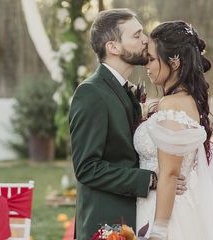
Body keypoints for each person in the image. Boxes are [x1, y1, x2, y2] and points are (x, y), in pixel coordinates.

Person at [69, 10, 186, 240]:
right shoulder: (91, 92)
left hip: (135, 217)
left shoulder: (126, 90)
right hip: (106, 224)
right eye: (137, 35)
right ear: (113, 47)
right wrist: (150, 179)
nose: (146, 40)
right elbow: (87, 168)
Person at [134, 21, 213, 239]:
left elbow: (171, 173)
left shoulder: (172, 105)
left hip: (164, 212)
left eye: (152, 59)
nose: (147, 65)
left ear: (174, 63)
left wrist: (159, 230)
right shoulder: (183, 101)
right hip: (164, 203)